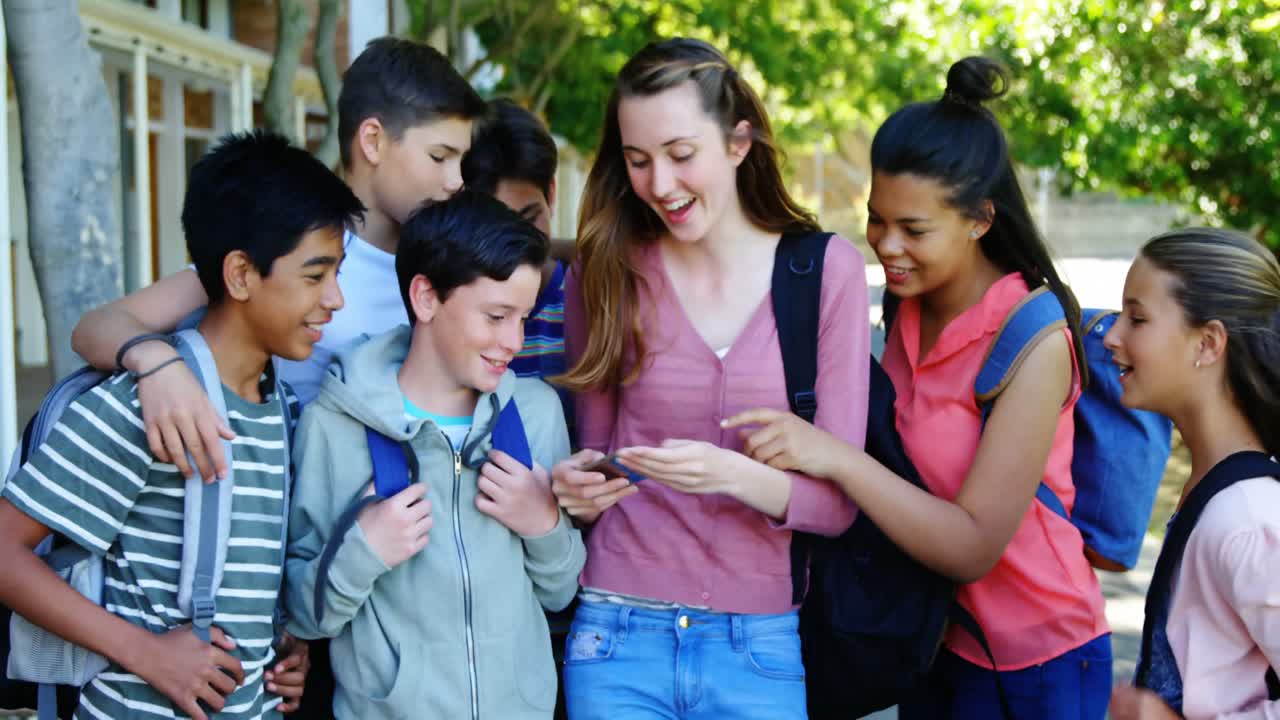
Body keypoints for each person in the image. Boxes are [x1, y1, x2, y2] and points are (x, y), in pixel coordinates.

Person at [724, 57, 1112, 719]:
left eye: (915, 230)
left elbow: (970, 546)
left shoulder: (1032, 340)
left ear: (980, 219)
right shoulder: (907, 308)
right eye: (878, 220)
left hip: (1037, 663)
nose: (887, 246)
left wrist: (834, 457)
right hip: (933, 646)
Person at [548, 38, 869, 719]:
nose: (659, 183)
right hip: (617, 633)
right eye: (637, 161)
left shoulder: (823, 274)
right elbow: (598, 469)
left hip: (760, 644)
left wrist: (728, 474)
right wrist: (577, 485)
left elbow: (840, 504)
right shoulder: (605, 270)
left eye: (680, 154)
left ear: (738, 142)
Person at [0, 130, 362, 719]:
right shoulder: (144, 406)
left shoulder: (282, 410)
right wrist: (147, 652)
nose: (336, 299)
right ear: (240, 275)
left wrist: (281, 644)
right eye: (315, 275)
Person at [69, 36, 487, 480]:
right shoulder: (288, 251)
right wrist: (158, 366)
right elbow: (97, 327)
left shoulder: (448, 269)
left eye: (462, 161)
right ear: (373, 141)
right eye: (440, 156)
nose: (456, 181)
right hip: (274, 511)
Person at [282, 190, 586, 720]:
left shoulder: (534, 413)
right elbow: (304, 616)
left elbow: (561, 592)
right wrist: (364, 549)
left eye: (524, 317)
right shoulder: (335, 425)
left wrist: (544, 522)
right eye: (495, 316)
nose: (515, 340)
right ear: (425, 298)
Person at [1105, 228, 1280, 720]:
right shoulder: (1212, 492)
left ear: (1207, 343)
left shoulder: (1247, 519)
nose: (1113, 337)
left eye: (1137, 318)